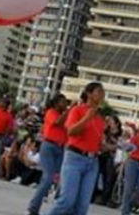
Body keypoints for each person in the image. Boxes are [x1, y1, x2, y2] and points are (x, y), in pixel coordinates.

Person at [45, 81, 106, 215]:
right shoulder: (78, 110)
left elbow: (97, 140)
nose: (102, 94)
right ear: (89, 94)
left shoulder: (99, 117)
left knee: (82, 207)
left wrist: (105, 146)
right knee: (67, 201)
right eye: (99, 91)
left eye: (103, 92)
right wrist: (86, 118)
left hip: (92, 161)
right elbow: (71, 131)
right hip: (75, 158)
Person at [28, 93, 70, 215]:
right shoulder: (51, 112)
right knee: (48, 177)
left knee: (62, 178)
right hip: (49, 146)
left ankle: (58, 204)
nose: (65, 104)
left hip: (61, 148)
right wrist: (68, 111)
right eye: (63, 102)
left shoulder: (65, 116)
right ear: (56, 103)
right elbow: (57, 122)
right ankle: (33, 207)